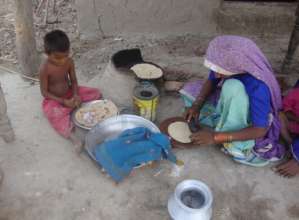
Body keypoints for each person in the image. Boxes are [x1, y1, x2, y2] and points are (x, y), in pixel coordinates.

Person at [183, 35, 285, 167]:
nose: (217, 74)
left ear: (237, 65)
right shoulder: (227, 63)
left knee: (232, 86)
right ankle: (224, 120)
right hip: (236, 101)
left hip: (252, 121)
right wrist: (197, 105)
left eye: (221, 72)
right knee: (189, 95)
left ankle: (233, 138)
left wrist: (215, 137)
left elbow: (260, 130)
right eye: (216, 70)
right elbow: (212, 80)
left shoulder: (259, 86)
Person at [39, 30, 101, 151]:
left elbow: (73, 81)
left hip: (70, 93)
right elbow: (44, 93)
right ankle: (74, 139)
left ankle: (75, 106)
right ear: (47, 53)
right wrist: (63, 101)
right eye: (57, 57)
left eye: (65, 56)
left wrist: (76, 94)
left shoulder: (69, 62)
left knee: (95, 92)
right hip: (55, 99)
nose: (62, 60)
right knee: (54, 113)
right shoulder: (44, 68)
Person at [275, 87, 299, 177]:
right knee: (279, 116)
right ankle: (290, 143)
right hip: (292, 126)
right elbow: (285, 109)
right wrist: (296, 118)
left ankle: (294, 151)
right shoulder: (296, 93)